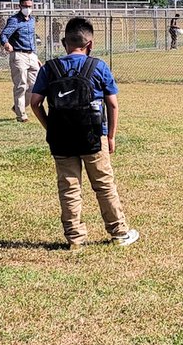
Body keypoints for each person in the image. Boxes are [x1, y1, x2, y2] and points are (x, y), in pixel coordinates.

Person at [29, 16, 138, 250]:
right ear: (90, 44)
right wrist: (110, 136)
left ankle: (75, 239)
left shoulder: (49, 68)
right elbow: (113, 104)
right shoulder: (98, 66)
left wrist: (50, 127)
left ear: (63, 42)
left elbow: (35, 102)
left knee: (69, 187)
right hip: (93, 134)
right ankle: (118, 232)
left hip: (61, 138)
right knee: (103, 185)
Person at [0, 0, 40, 122]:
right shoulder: (14, 20)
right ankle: (21, 115)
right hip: (18, 55)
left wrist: (35, 56)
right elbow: (4, 35)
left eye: (30, 6)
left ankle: (18, 107)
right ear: (20, 6)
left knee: (35, 86)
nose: (28, 9)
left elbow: (32, 38)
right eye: (25, 6)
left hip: (31, 55)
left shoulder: (32, 20)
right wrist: (6, 43)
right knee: (21, 85)